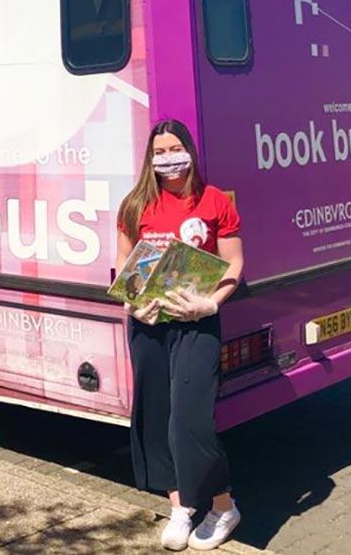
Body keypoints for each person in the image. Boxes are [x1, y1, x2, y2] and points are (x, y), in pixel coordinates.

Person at [116, 119, 244, 552]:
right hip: (150, 328)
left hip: (197, 326)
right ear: (151, 159)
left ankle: (223, 506)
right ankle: (180, 507)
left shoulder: (214, 202)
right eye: (160, 152)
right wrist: (133, 303)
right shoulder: (135, 206)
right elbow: (123, 266)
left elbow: (234, 264)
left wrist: (213, 303)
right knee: (156, 417)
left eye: (176, 149)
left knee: (189, 421)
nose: (169, 159)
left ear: (190, 149)